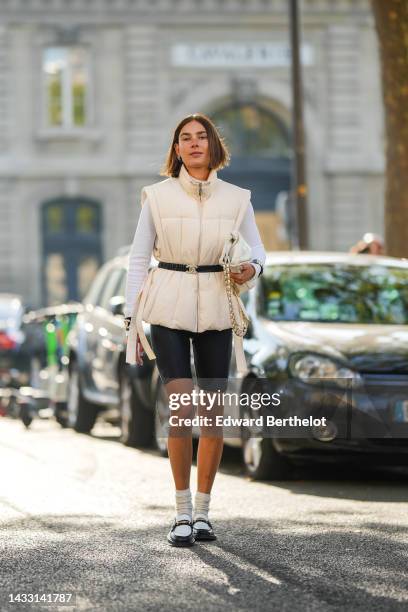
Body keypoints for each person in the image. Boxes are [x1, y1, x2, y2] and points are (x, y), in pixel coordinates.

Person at [124, 113, 266, 547]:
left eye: (201, 137)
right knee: (182, 409)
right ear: (177, 148)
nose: (194, 144)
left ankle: (203, 513)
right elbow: (137, 258)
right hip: (167, 306)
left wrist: (250, 268)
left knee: (211, 414)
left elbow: (258, 251)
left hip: (218, 307)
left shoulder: (238, 198)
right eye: (185, 138)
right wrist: (131, 317)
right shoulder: (158, 196)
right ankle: (181, 512)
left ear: (213, 146)